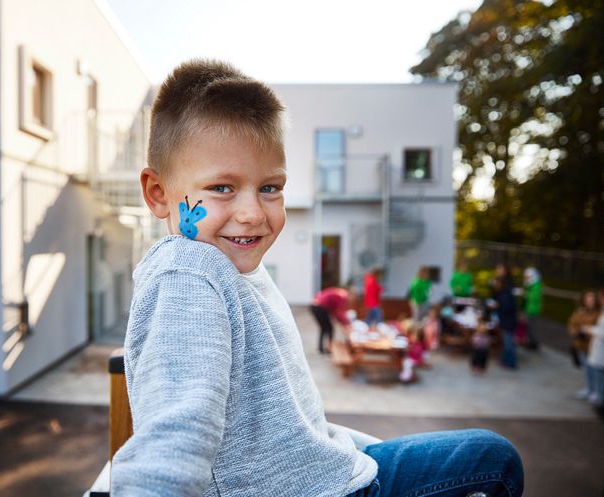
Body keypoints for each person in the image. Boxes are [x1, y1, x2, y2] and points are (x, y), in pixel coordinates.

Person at [111, 59, 523, 497]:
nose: (253, 213)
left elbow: (299, 425)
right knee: (494, 460)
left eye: (270, 188)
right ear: (158, 193)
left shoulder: (229, 267)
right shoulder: (189, 274)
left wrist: (352, 451)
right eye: (222, 188)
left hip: (331, 471)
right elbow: (175, 435)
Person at [568, 290, 600, 400]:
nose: (590, 301)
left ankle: (596, 391)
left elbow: (599, 329)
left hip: (593, 347)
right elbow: (572, 324)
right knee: (586, 369)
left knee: (595, 371)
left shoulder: (599, 314)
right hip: (580, 345)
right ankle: (588, 388)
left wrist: (587, 332)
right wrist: (575, 332)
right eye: (588, 298)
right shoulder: (580, 311)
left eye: (592, 298)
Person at [311, 286, 357, 354]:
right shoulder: (342, 296)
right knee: (329, 328)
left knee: (324, 328)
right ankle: (329, 348)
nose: (350, 300)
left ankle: (321, 348)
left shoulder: (337, 292)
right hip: (320, 307)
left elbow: (334, 311)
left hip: (315, 306)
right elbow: (339, 312)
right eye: (351, 298)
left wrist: (342, 322)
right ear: (350, 295)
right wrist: (346, 324)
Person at [493, 264, 518, 370]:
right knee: (507, 342)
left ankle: (511, 362)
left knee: (509, 343)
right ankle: (506, 360)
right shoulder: (503, 292)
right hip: (507, 321)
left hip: (508, 322)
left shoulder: (506, 293)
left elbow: (507, 307)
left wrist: (498, 305)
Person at [582, 290, 604, 407]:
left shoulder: (599, 313)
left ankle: (598, 398)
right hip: (592, 347)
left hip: (598, 349)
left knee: (598, 375)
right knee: (590, 370)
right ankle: (594, 393)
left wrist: (590, 329)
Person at [522, 266, 543, 350]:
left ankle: (534, 343)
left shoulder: (537, 285)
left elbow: (534, 297)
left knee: (532, 327)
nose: (526, 279)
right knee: (529, 327)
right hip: (529, 309)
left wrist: (526, 293)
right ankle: (531, 342)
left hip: (533, 310)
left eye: (528, 277)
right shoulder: (531, 284)